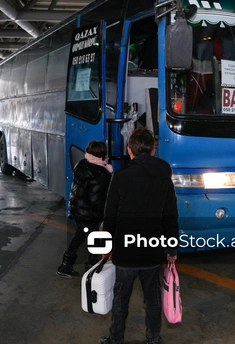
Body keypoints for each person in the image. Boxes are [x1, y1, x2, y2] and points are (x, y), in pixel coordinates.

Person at [99, 127, 179, 344]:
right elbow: (170, 215)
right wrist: (171, 249)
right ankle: (153, 339)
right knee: (152, 298)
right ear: (153, 151)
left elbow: (111, 216)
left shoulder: (120, 177)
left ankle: (115, 340)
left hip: (125, 252)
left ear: (129, 150)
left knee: (120, 299)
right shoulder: (164, 178)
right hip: (152, 251)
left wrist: (106, 246)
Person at [57, 140, 113, 278]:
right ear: (103, 155)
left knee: (80, 235)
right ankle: (92, 271)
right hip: (89, 213)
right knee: (94, 241)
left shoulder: (82, 165)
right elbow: (95, 200)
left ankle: (66, 265)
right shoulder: (100, 174)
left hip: (78, 210)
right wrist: (105, 213)